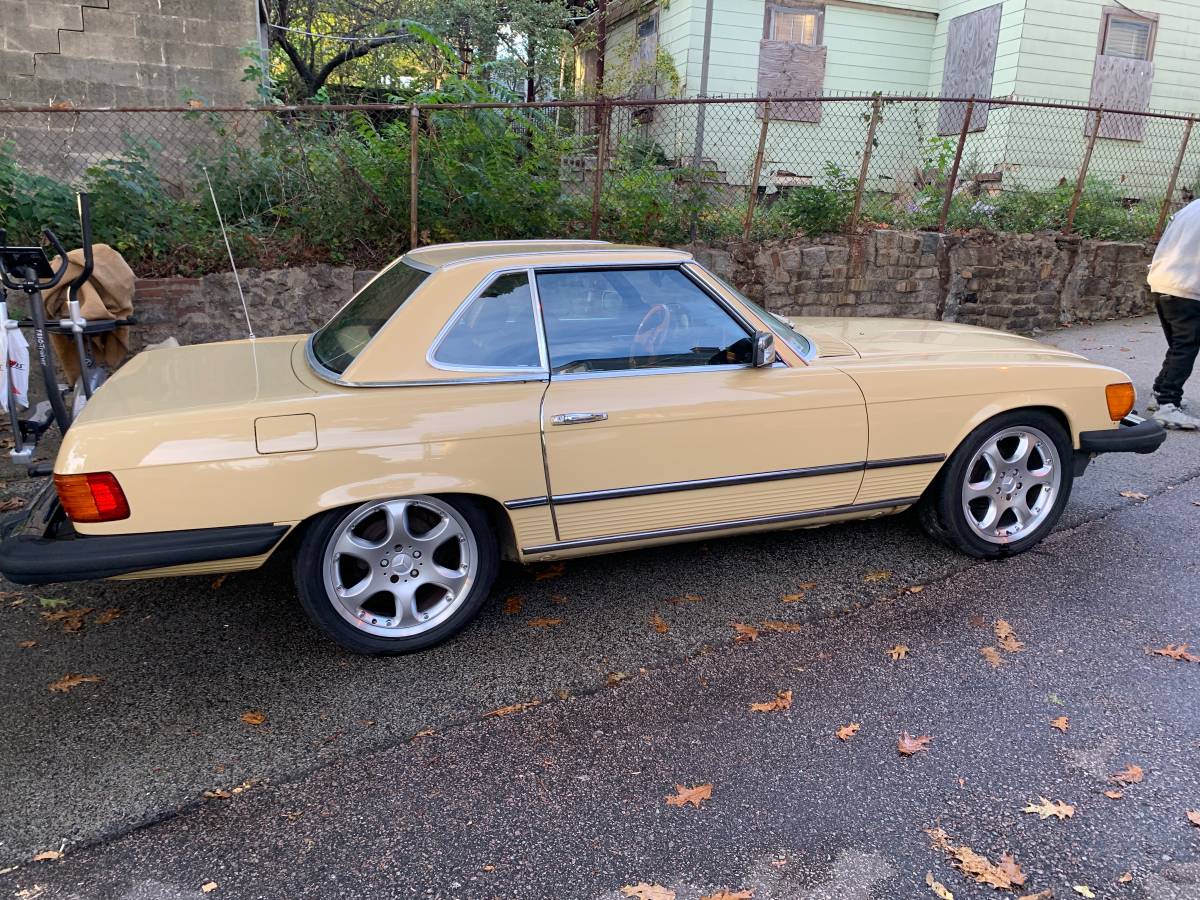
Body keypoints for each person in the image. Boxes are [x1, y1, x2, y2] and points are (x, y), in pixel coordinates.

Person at [1147, 198, 1200, 430]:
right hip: (1189, 287)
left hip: (1162, 282)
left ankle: (1160, 392)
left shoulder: (1192, 207)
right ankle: (1168, 405)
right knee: (1186, 347)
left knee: (1179, 345)